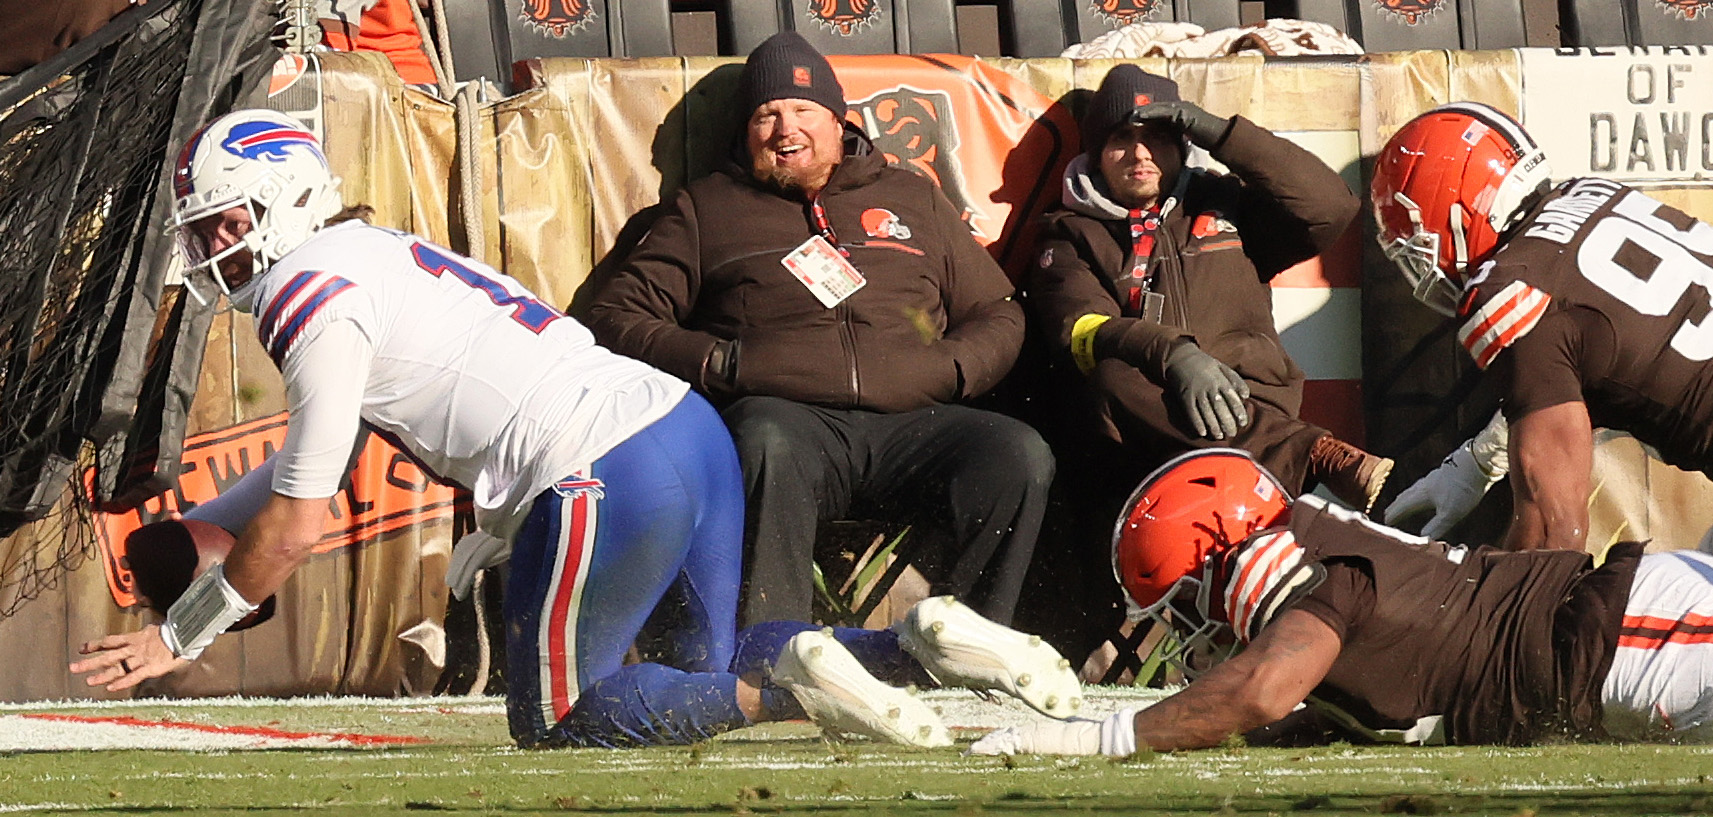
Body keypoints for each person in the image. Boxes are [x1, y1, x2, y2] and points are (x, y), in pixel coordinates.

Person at [70, 108, 1081, 749]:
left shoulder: (307, 291)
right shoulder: (370, 253)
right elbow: (316, 466)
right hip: (681, 429)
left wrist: (177, 631)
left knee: (555, 716)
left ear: (287, 202)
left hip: (596, 466)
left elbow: (294, 525)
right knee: (716, 663)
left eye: (223, 225)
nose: (211, 251)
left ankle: (798, 699)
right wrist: (213, 518)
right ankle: (920, 640)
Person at [586, 32, 1053, 629]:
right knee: (764, 441)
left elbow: (1001, 311)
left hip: (916, 422)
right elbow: (616, 318)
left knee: (1016, 454)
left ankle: (965, 646)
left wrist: (954, 367)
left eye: (804, 110)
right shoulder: (706, 208)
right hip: (791, 424)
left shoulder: (913, 197)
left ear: (840, 122)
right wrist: (722, 364)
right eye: (767, 115)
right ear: (744, 133)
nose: (787, 130)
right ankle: (769, 660)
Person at [972, 448, 1713, 756]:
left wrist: (1100, 738)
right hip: (1613, 632)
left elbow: (1265, 687)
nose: (1191, 632)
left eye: (1184, 602)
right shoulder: (1313, 555)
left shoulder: (1297, 570)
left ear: (1215, 560)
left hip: (1620, 640)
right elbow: (1330, 691)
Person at [1027, 64, 1390, 514]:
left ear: (1182, 143)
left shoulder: (1229, 203)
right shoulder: (1066, 234)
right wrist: (1177, 356)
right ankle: (1313, 457)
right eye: (1121, 140)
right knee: (1114, 372)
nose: (1141, 154)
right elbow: (1081, 328)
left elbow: (1330, 206)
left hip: (1248, 404)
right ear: (1097, 153)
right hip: (1145, 428)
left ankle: (1300, 462)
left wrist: (1218, 132)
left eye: (1158, 138)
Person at [1370, 102, 1713, 552]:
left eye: (1419, 247)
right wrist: (1476, 463)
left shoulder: (1510, 293)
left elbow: (1555, 534)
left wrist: (1470, 603)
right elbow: (1573, 362)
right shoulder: (1590, 193)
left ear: (1459, 216)